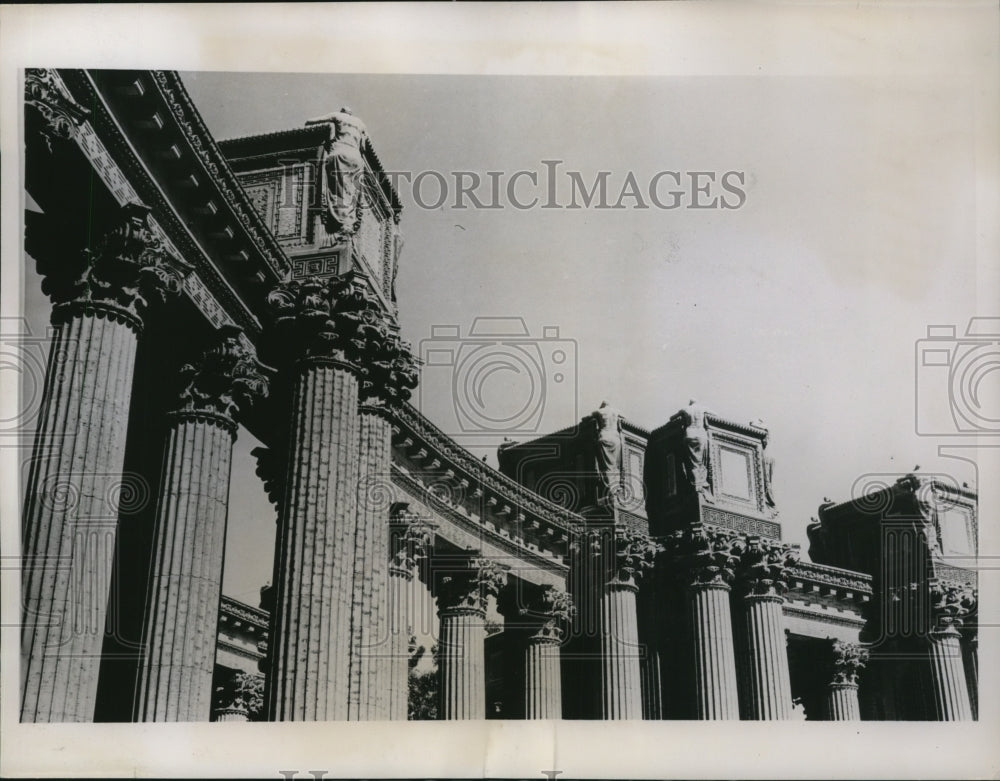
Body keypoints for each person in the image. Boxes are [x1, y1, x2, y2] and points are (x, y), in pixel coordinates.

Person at [307, 107, 367, 237]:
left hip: (340, 153)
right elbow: (364, 146)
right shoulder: (360, 123)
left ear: (342, 112)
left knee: (338, 189)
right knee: (350, 191)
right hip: (356, 159)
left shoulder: (337, 116)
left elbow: (311, 121)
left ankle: (343, 223)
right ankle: (349, 222)